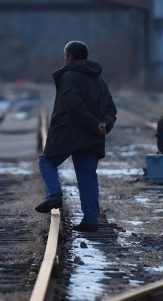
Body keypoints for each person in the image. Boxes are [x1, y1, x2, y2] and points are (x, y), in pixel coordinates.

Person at [36, 40, 117, 233]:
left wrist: (94, 124)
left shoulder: (69, 76)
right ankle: (90, 220)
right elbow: (110, 108)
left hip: (68, 133)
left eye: (65, 56)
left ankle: (54, 194)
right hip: (92, 135)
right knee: (87, 177)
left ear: (69, 57)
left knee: (46, 161)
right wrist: (103, 124)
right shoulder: (99, 80)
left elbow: (73, 105)